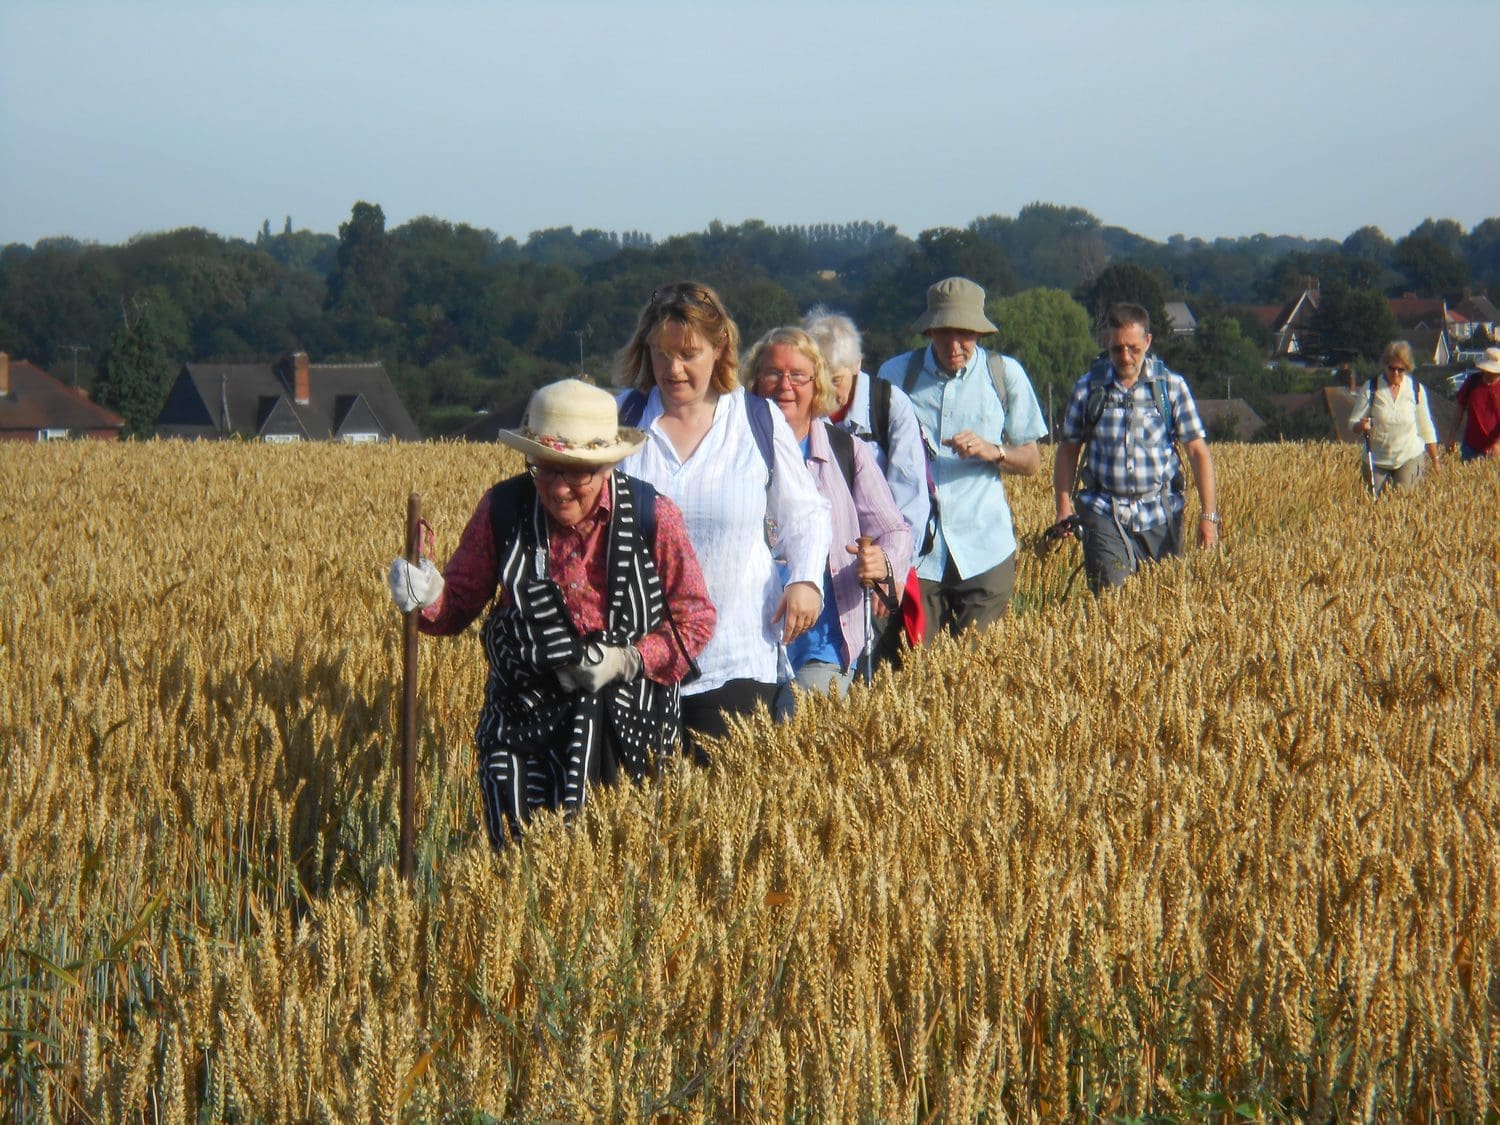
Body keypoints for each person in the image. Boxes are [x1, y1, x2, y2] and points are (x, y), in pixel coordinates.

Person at [386, 378, 715, 848]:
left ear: (605, 466)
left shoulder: (653, 516)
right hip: (522, 734)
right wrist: (426, 595)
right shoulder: (503, 508)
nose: (559, 488)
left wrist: (629, 660)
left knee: (619, 879)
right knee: (517, 877)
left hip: (631, 737)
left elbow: (695, 619)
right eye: (545, 469)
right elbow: (455, 608)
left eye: (575, 473)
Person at [613, 282, 831, 759]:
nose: (673, 369)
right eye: (661, 353)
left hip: (736, 655)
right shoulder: (621, 423)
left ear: (720, 348)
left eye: (689, 353)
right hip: (634, 664)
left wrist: (807, 581)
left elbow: (807, 514)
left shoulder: (755, 420)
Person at [742, 326, 912, 714]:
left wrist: (882, 562)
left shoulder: (845, 450)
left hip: (824, 646)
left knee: (793, 726)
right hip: (749, 646)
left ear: (815, 384)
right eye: (772, 373)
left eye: (798, 376)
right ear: (753, 382)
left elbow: (894, 529)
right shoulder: (734, 452)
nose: (785, 385)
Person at [874, 276, 1047, 640]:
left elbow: (1032, 461)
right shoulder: (895, 376)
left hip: (984, 547)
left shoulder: (1004, 375)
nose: (954, 345)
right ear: (929, 331)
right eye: (944, 333)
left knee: (976, 670)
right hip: (917, 554)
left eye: (965, 334)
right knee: (914, 668)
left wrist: (993, 451)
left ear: (979, 333)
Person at [1052, 302, 1219, 593]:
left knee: (1162, 607)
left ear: (1148, 342)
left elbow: (1197, 451)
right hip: (1103, 512)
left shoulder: (1171, 387)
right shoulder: (1089, 388)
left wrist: (1209, 517)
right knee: (1110, 602)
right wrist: (1064, 508)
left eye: (1133, 348)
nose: (1125, 357)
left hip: (1161, 515)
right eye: (1117, 349)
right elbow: (1068, 450)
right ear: (1107, 343)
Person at [801, 305, 930, 660]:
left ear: (857, 365)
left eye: (837, 380)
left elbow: (909, 502)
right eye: (819, 378)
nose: (827, 391)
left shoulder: (890, 406)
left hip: (880, 572)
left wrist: (892, 571)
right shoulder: (799, 411)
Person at [1349, 340, 1441, 493]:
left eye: (1401, 369)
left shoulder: (1415, 389)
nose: (1396, 373)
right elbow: (1353, 422)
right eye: (1392, 369)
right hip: (1376, 458)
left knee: (1404, 500)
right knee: (1374, 506)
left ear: (1407, 368)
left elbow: (1426, 427)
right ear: (1385, 366)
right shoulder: (1372, 388)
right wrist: (1361, 426)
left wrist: (1435, 460)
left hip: (1408, 455)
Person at [1446, 345, 1500, 461]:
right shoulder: (1472, 382)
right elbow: (1459, 409)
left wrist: (1498, 443)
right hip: (1471, 446)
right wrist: (1451, 435)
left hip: (1496, 448)